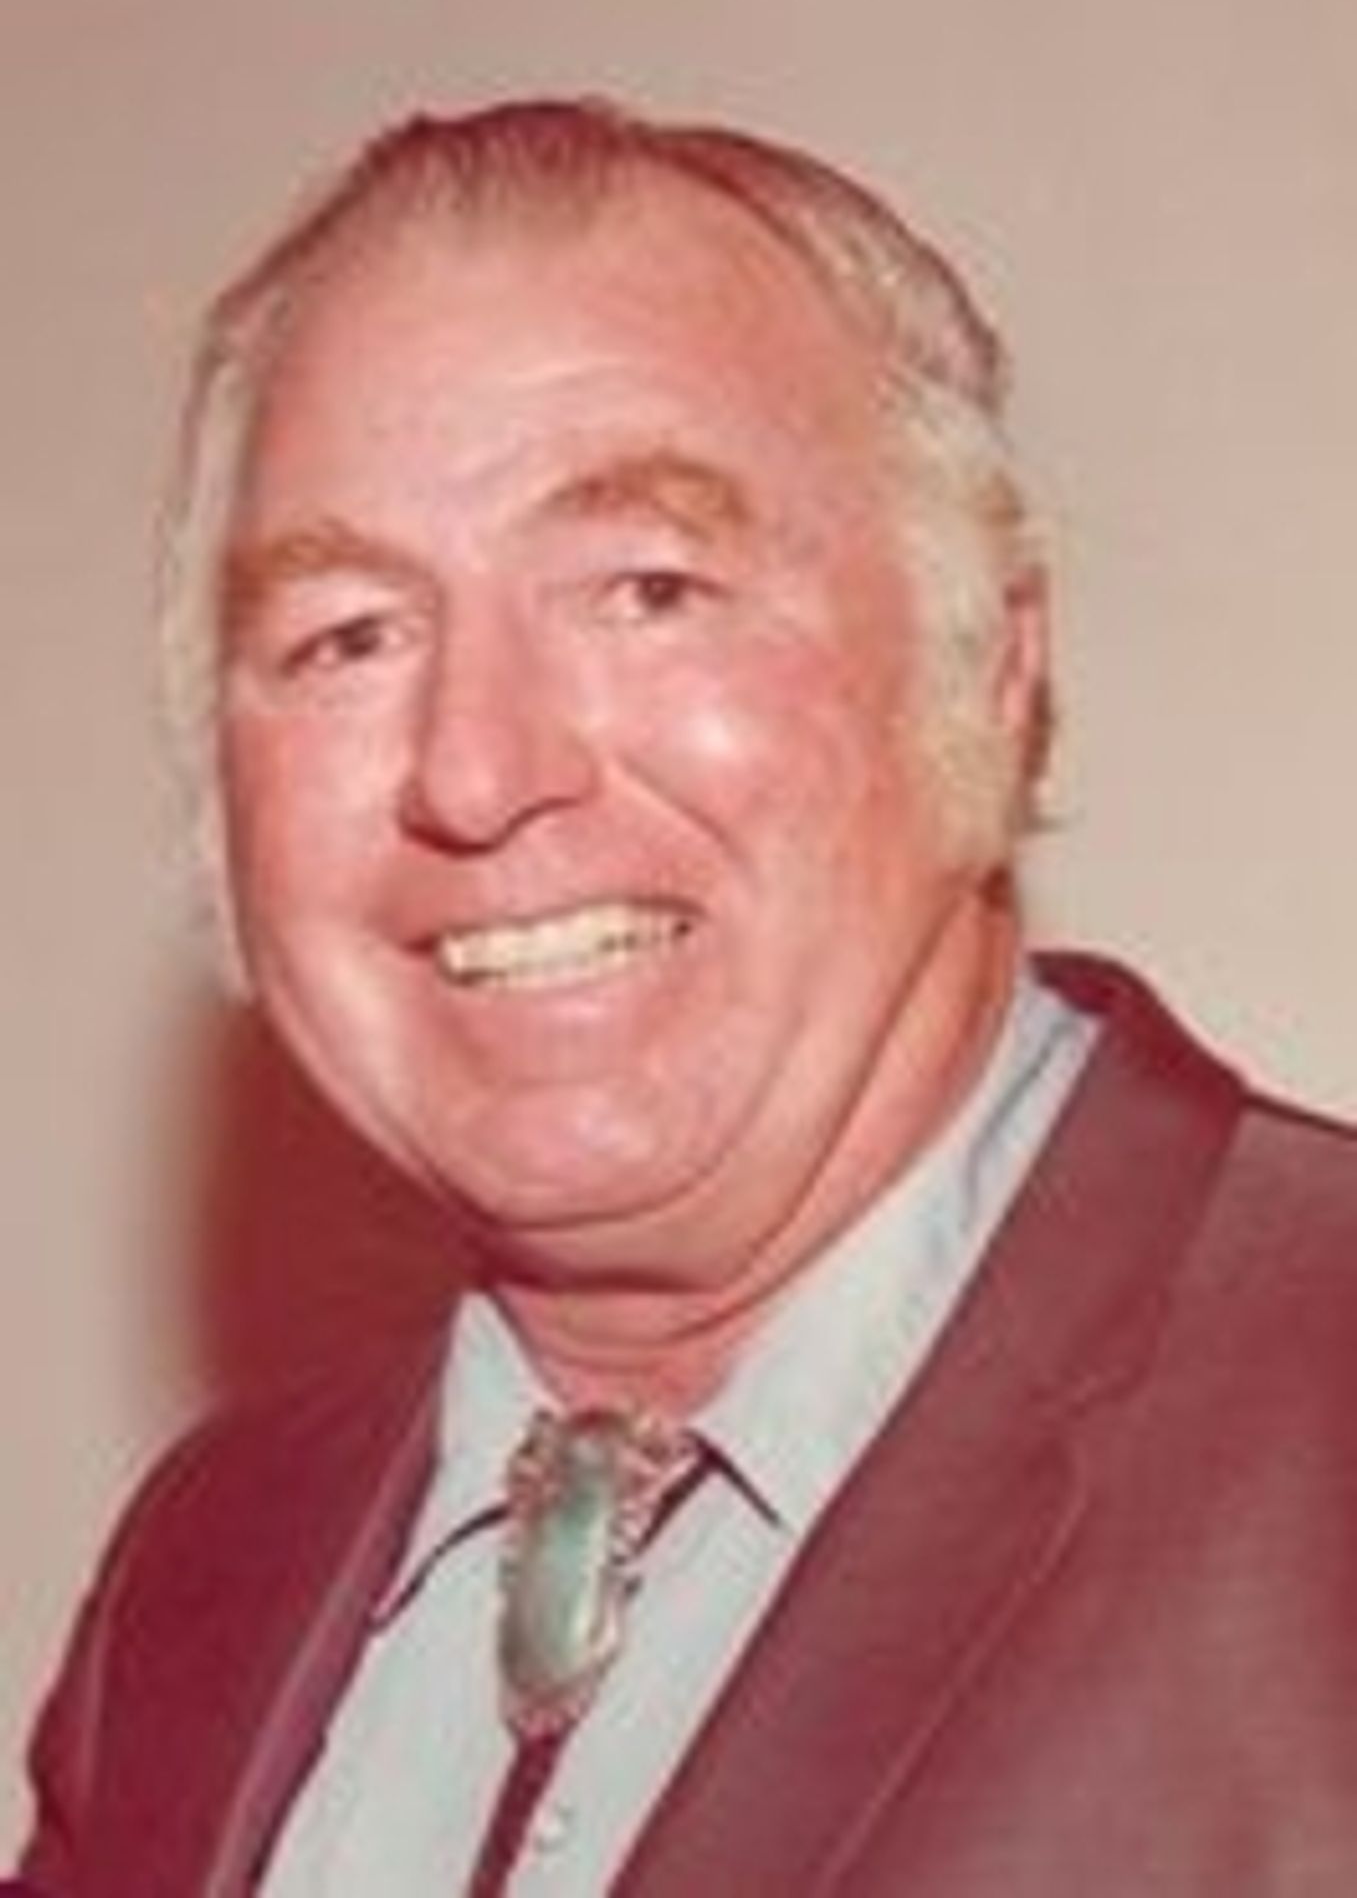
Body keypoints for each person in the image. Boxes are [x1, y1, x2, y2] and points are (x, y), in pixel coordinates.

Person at [9, 100, 1357, 1898]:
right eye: (347, 638)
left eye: (647, 589)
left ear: (988, 667)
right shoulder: (210, 1567)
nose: (475, 769)